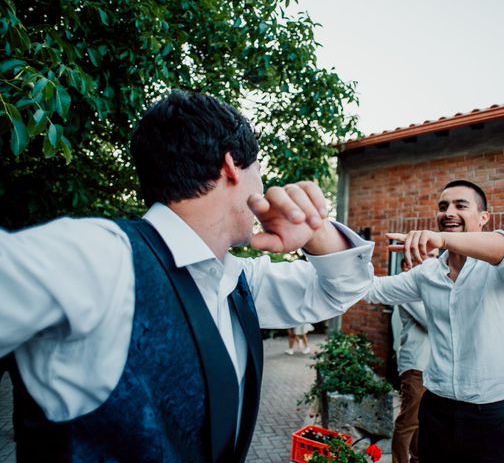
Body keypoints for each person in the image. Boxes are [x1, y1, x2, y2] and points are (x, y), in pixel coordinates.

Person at [0, 91, 374, 462]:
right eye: (258, 169)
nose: (262, 184)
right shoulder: (103, 257)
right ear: (231, 165)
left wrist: (313, 230)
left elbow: (340, 290)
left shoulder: (237, 279)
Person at [365, 180, 504, 462]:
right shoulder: (428, 273)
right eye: (443, 206)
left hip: (493, 410)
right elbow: (372, 289)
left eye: (461, 205)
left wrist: (443, 240)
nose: (449, 212)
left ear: (484, 218)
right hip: (436, 406)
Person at [390, 256, 434, 463]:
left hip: (430, 365)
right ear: (407, 265)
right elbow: (431, 320)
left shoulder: (424, 287)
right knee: (408, 421)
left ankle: (417, 458)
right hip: (416, 364)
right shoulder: (406, 288)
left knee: (423, 421)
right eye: (423, 260)